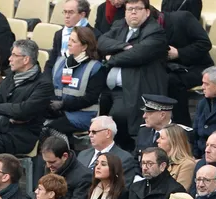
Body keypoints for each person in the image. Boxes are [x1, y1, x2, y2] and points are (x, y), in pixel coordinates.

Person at [97, 0, 168, 144]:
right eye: (129, 9)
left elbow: (137, 55)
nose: (133, 12)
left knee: (117, 119)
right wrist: (123, 46)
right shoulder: (120, 25)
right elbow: (101, 42)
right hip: (110, 90)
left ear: (147, 12)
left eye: (137, 8)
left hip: (135, 90)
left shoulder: (155, 31)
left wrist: (111, 58)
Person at [0, 39, 52, 169]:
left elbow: (24, 111)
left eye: (14, 55)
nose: (9, 59)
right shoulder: (11, 77)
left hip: (22, 135)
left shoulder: (43, 84)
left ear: (26, 59)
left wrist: (0, 108)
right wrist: (8, 115)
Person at [46, 25, 104, 136]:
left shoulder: (96, 68)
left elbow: (90, 98)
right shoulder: (60, 62)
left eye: (73, 41)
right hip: (59, 110)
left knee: (52, 129)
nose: (68, 43)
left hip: (82, 115)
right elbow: (51, 87)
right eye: (69, 40)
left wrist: (63, 104)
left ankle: (65, 152)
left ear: (84, 47)